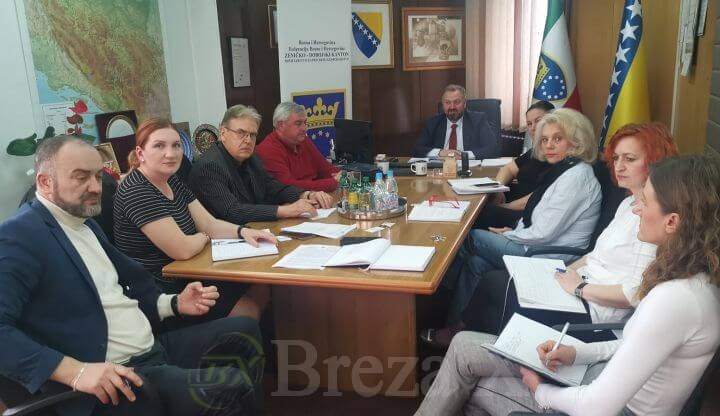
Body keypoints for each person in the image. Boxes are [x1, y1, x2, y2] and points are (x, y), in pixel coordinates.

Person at [416, 154, 720, 416]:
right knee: (463, 347)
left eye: (645, 201)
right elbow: (633, 344)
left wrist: (541, 392)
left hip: (609, 406)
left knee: (472, 381)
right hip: (600, 376)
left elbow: (596, 407)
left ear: (672, 222)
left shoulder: (674, 298)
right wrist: (577, 353)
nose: (636, 208)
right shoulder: (691, 279)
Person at [0, 136, 264, 416]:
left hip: (150, 349)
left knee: (243, 330)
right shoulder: (18, 237)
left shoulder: (83, 224)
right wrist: (76, 372)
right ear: (44, 182)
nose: (96, 187)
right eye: (81, 177)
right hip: (117, 377)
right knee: (230, 386)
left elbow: (122, 288)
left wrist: (173, 303)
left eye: (97, 176)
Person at [462, 123, 679, 341]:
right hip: (578, 285)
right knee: (494, 278)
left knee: (504, 286)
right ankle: (472, 341)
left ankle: (493, 349)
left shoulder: (652, 218)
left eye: (629, 159)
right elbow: (594, 256)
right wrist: (559, 273)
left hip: (595, 310)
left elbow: (634, 293)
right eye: (616, 158)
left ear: (655, 162)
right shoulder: (627, 204)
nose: (619, 166)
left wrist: (579, 288)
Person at [427, 108, 602, 344]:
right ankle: (457, 327)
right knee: (475, 263)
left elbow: (543, 232)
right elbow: (539, 220)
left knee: (471, 237)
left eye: (557, 139)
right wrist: (513, 232)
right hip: (537, 245)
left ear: (576, 141)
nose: (549, 145)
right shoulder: (564, 170)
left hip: (547, 257)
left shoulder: (576, 177)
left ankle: (435, 293)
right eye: (544, 140)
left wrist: (512, 236)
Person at [114, 117, 277, 322]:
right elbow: (182, 249)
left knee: (261, 285)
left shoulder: (171, 179)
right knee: (248, 310)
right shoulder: (137, 191)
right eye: (159, 146)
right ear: (140, 153)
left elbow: (208, 223)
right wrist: (205, 236)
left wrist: (243, 231)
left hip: (189, 273)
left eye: (176, 145)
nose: (170, 153)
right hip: (163, 292)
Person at [189, 104, 334, 224]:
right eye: (241, 133)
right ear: (223, 133)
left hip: (253, 230)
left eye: (252, 135)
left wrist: (306, 195)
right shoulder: (209, 167)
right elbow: (233, 211)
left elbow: (273, 188)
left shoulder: (252, 158)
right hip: (219, 241)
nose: (247, 140)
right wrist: (286, 211)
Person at [474, 101, 555, 229]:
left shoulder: (555, 155)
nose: (533, 127)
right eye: (529, 124)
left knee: (478, 214)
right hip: (516, 201)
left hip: (530, 213)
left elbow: (540, 196)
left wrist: (504, 207)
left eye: (538, 121)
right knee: (479, 200)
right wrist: (498, 188)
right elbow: (509, 169)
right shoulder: (537, 150)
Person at [255, 102, 341, 192]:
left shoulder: (303, 140)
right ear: (281, 125)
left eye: (305, 123)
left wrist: (343, 176)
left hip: (315, 195)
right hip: (293, 199)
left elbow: (325, 169)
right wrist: (333, 183)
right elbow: (289, 187)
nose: (305, 129)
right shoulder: (268, 150)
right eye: (298, 124)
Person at [412, 84, 500, 159]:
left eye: (457, 102)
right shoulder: (433, 122)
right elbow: (417, 149)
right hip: (441, 169)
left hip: (470, 169)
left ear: (464, 104)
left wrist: (463, 155)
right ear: (443, 105)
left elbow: (493, 149)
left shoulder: (478, 120)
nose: (452, 107)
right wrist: (440, 153)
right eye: (447, 102)